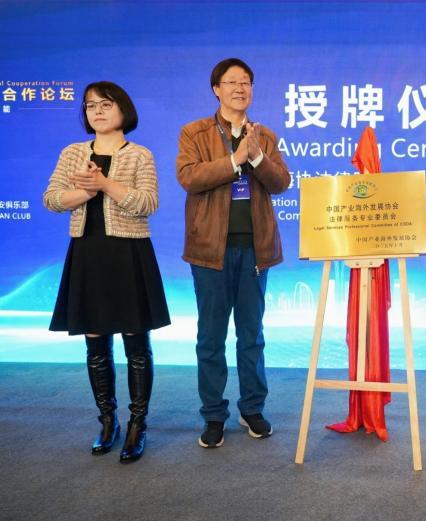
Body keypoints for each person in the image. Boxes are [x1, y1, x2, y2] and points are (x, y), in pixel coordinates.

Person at [43, 81, 170, 464]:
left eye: (105, 104)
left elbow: (147, 203)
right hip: (88, 253)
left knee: (136, 343)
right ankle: (107, 421)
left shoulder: (140, 155)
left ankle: (137, 425)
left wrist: (104, 184)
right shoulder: (73, 153)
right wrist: (85, 193)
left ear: (123, 109)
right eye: (90, 106)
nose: (96, 112)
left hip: (129, 253)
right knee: (95, 342)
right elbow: (52, 198)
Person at [176, 58, 290, 449]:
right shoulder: (194, 132)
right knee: (210, 337)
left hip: (255, 250)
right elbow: (189, 177)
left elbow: (281, 183)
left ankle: (252, 408)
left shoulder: (264, 136)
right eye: (232, 82)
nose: (240, 88)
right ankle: (213, 415)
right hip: (211, 250)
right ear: (216, 90)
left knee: (251, 336)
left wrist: (255, 157)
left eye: (246, 82)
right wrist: (234, 160)